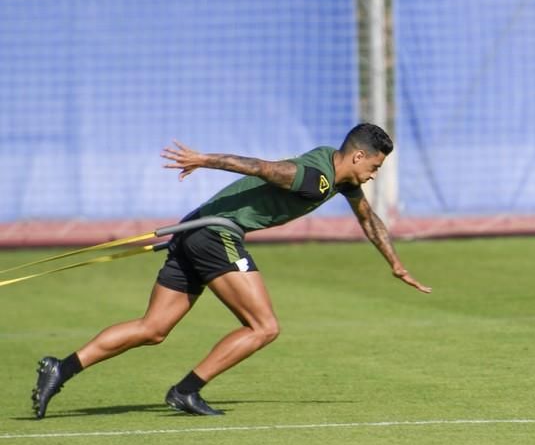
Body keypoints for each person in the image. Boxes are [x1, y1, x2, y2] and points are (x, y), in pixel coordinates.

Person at [31, 123, 431, 418]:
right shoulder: (315, 177)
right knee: (264, 327)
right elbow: (261, 167)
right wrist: (204, 159)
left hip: (194, 230)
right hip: (216, 234)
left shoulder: (336, 172)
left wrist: (396, 264)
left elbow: (368, 218)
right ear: (358, 156)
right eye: (375, 166)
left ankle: (59, 368)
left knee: (154, 328)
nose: (375, 174)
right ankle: (186, 391)